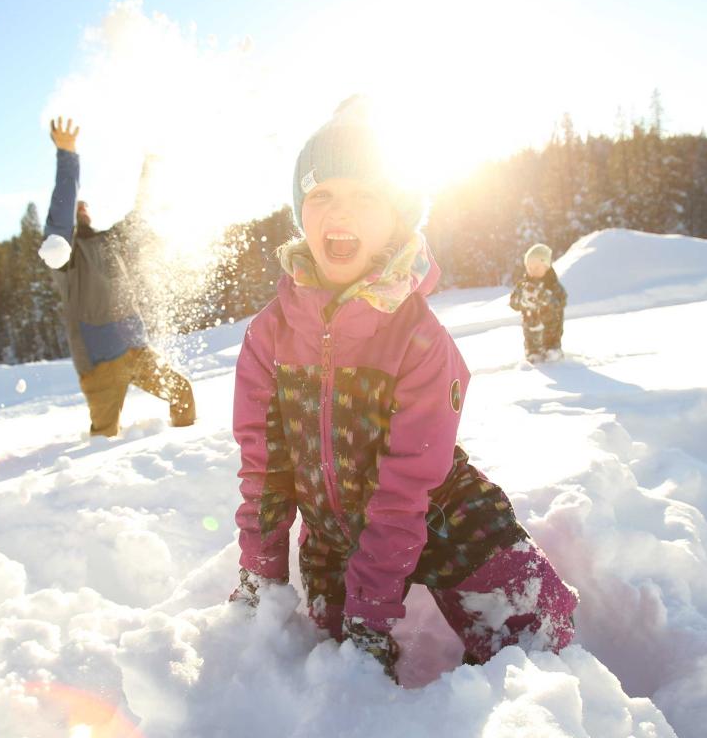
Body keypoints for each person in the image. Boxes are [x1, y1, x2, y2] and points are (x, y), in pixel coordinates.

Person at [228, 98, 577, 681]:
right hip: (335, 533)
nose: (341, 213)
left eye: (366, 196)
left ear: (397, 218)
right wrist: (261, 575)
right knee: (330, 672)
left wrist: (374, 610)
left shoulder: (418, 336)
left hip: (440, 511)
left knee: (539, 628)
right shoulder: (270, 334)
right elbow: (264, 471)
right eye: (322, 195)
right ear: (301, 215)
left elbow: (406, 489)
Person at [39, 116, 196, 438]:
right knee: (103, 439)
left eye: (84, 207)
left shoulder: (109, 241)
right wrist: (66, 155)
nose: (79, 209)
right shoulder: (63, 257)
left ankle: (184, 452)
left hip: (138, 350)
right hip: (100, 363)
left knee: (181, 393)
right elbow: (63, 204)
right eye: (73, 209)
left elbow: (142, 210)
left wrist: (152, 163)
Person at [509, 243, 567, 362]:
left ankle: (553, 350)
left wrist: (543, 297)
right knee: (534, 357)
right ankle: (533, 351)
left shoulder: (553, 285)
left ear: (547, 266)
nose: (532, 271)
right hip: (531, 333)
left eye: (536, 267)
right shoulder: (523, 285)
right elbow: (513, 303)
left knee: (552, 356)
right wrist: (522, 301)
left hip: (552, 332)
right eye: (529, 267)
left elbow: (560, 302)